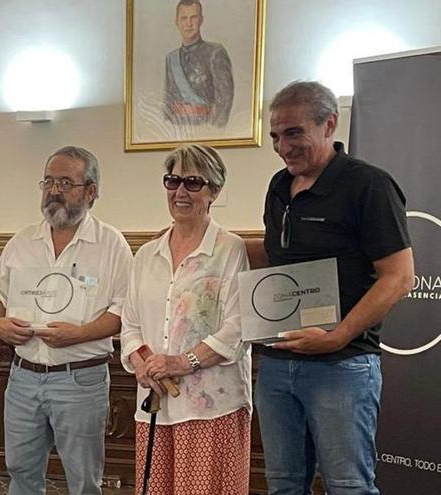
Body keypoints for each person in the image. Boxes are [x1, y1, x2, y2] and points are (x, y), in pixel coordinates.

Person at [254, 81, 414, 494]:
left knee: (348, 486)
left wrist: (337, 335)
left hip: (342, 367)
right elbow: (277, 260)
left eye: (293, 133)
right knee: (283, 486)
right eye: (275, 135)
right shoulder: (277, 186)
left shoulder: (369, 185)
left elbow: (399, 276)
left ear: (329, 125)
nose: (282, 146)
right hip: (276, 365)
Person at [0, 146, 132, 494]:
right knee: (20, 471)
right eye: (49, 181)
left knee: (82, 480)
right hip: (23, 378)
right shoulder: (21, 242)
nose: (54, 190)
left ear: (91, 191)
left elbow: (123, 312)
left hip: (80, 379)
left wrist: (79, 334)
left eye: (66, 182)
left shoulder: (111, 245)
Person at [120, 144, 251, 494]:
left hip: (211, 407)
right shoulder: (147, 254)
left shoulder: (230, 249)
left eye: (193, 183)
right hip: (156, 406)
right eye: (173, 180)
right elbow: (130, 324)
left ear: (214, 192)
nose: (180, 192)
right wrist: (143, 364)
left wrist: (182, 362)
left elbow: (236, 329)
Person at [163, 0, 234, 127]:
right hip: (178, 130)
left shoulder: (215, 52)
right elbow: (168, 102)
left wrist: (213, 132)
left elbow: (225, 98)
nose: (188, 24)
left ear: (201, 20)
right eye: (184, 18)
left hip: (205, 126)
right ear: (177, 21)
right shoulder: (171, 58)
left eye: (193, 17)